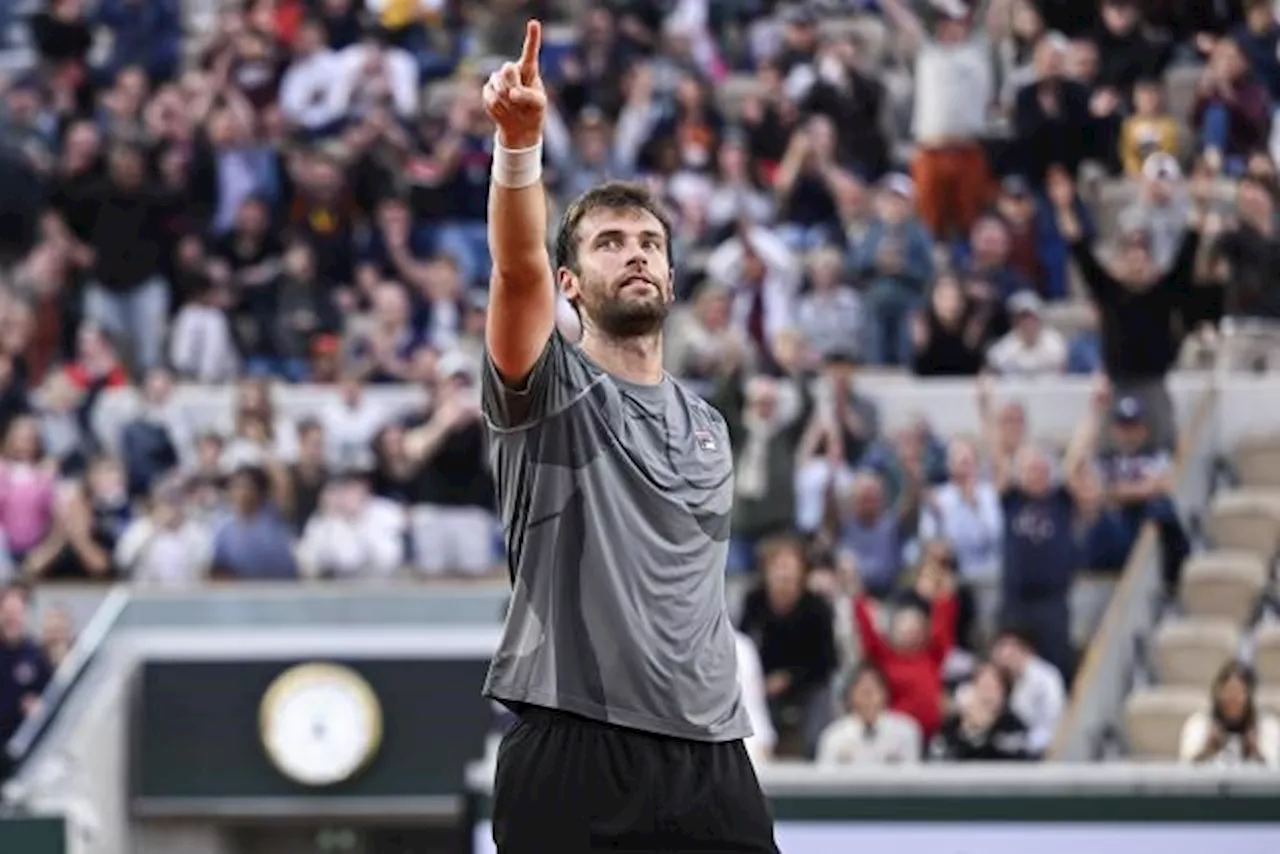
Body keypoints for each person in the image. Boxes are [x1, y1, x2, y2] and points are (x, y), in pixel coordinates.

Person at [478, 21, 778, 854]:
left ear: (674, 276)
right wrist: (519, 149)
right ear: (572, 284)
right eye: (609, 243)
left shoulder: (709, 424)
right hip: (576, 744)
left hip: (711, 755)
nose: (635, 255)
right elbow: (515, 271)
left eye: (649, 243)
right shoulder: (550, 391)